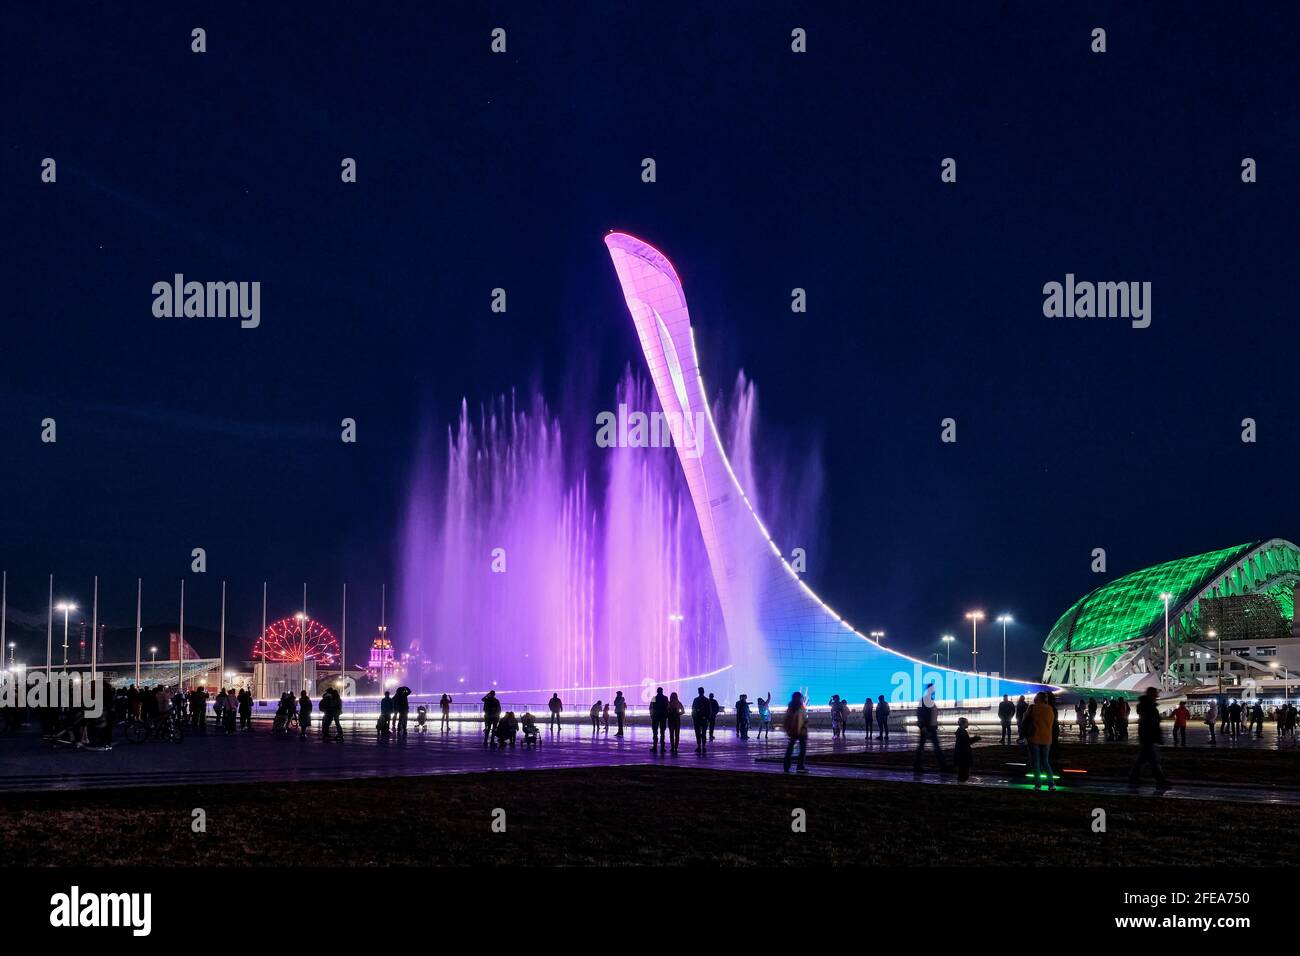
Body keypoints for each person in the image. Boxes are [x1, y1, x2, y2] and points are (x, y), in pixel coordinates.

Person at [1130, 686, 1171, 790]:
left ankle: (1134, 777)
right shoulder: (1148, 707)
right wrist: (1154, 736)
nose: (1156, 696)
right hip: (1148, 737)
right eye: (1155, 694)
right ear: (1151, 695)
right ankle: (1160, 781)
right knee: (1153, 761)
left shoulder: (1148, 706)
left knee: (1143, 760)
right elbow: (1149, 723)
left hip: (1148, 737)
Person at [912, 682, 949, 773]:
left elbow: (931, 714)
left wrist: (935, 724)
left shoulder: (930, 700)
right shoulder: (925, 700)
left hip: (931, 727)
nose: (934, 691)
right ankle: (942, 766)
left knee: (926, 747)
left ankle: (918, 765)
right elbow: (920, 714)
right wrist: (923, 726)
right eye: (932, 689)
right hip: (927, 728)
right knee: (933, 747)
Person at [1023, 691, 1056, 791]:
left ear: (1037, 698)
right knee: (1045, 762)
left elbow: (1024, 720)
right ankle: (1051, 785)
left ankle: (1038, 785)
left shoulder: (1032, 707)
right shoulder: (1050, 709)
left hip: (1034, 738)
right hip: (1047, 739)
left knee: (1036, 763)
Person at [782, 691, 808, 773]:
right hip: (798, 731)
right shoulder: (797, 708)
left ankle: (787, 766)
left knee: (791, 749)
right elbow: (800, 719)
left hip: (796, 731)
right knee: (801, 749)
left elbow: (788, 720)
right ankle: (799, 766)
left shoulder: (793, 707)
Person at [954, 717, 980, 782]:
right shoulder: (963, 732)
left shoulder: (960, 731)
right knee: (964, 770)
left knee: (961, 770)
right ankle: (962, 781)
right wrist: (976, 738)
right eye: (967, 723)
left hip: (960, 754)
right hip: (964, 754)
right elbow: (967, 742)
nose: (968, 724)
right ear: (963, 724)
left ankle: (961, 781)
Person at [649, 686, 668, 753]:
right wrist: (666, 715)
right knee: (662, 732)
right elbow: (667, 707)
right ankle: (662, 748)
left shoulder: (654, 698)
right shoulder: (665, 698)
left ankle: (655, 747)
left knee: (655, 732)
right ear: (662, 691)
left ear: (657, 691)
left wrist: (651, 715)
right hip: (663, 717)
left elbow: (651, 707)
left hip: (655, 716)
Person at [691, 687, 710, 753]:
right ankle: (703, 746)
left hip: (697, 719)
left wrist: (694, 717)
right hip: (704, 719)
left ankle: (699, 746)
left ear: (698, 692)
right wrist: (706, 717)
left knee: (698, 733)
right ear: (703, 692)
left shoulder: (696, 700)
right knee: (704, 733)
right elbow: (709, 710)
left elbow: (693, 709)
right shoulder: (707, 700)